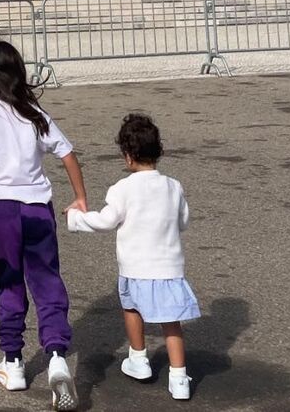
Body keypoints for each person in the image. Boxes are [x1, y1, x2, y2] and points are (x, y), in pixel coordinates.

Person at [0, 40, 87, 408]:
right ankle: (56, 355)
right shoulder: (36, 115)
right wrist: (80, 197)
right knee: (46, 279)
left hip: (2, 209)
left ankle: (13, 361)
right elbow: (67, 153)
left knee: (9, 280)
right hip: (38, 208)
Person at [67, 113, 199, 402]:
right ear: (158, 151)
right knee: (171, 321)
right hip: (168, 267)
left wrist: (76, 218)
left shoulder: (123, 188)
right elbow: (183, 221)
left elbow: (106, 221)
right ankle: (179, 378)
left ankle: (138, 359)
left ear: (127, 156)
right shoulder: (173, 186)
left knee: (132, 308)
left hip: (135, 267)